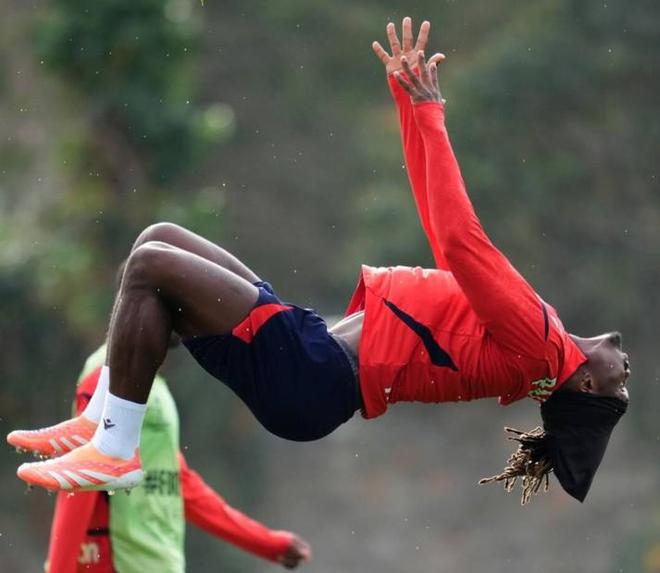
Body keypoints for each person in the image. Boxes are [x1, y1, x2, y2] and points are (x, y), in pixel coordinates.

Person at [9, 17, 629, 506]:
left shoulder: (543, 350)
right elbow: (447, 245)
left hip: (313, 375)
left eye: (620, 384)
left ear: (587, 385)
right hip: (312, 362)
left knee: (153, 265)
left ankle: (117, 447)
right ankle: (103, 421)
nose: (626, 363)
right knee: (159, 239)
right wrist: (411, 107)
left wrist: (432, 114)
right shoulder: (538, 346)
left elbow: (462, 241)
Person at [41, 342, 310, 572]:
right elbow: (82, 476)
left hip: (156, 563)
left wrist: (267, 543)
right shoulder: (111, 375)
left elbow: (181, 485)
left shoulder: (150, 381)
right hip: (116, 562)